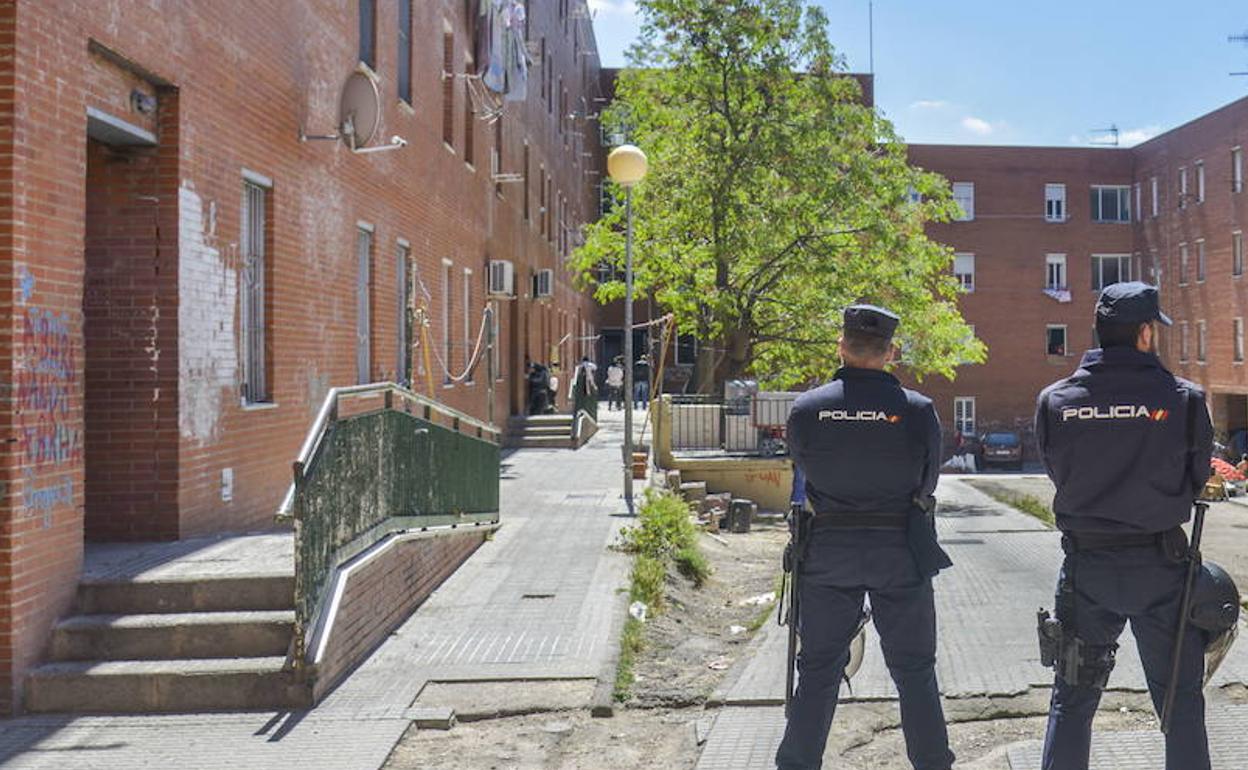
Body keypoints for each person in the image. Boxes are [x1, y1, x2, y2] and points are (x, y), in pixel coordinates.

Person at [1035, 282, 1213, 770]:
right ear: (1145, 334)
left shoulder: (1055, 400)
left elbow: (1056, 469)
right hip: (1162, 567)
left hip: (1087, 567)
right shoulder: (1184, 399)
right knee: (1181, 701)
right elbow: (1198, 477)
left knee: (1071, 701)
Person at [777, 304, 955, 770]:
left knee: (818, 670)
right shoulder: (918, 411)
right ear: (891, 352)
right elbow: (928, 481)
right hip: (900, 550)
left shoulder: (808, 408)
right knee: (915, 671)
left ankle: (796, 763)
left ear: (841, 347)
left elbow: (803, 468)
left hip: (828, 553)